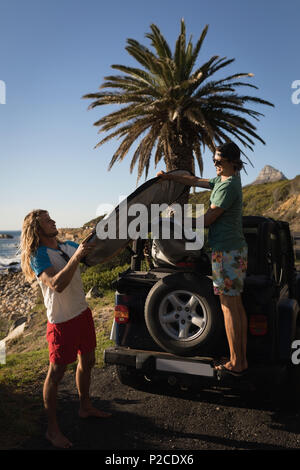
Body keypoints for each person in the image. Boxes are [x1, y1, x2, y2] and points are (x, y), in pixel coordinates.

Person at [20, 210, 111, 449]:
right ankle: (52, 430)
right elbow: (57, 284)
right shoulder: (38, 255)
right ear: (37, 228)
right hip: (61, 322)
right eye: (48, 221)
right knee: (57, 373)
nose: (54, 222)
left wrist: (124, 242)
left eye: (52, 218)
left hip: (82, 314)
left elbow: (98, 256)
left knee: (88, 360)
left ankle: (85, 406)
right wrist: (77, 255)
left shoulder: (69, 245)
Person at [157, 142, 248, 376]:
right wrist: (171, 177)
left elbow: (208, 220)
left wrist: (178, 222)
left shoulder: (228, 187)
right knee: (235, 307)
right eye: (214, 160)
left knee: (229, 308)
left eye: (219, 161)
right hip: (232, 250)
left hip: (227, 252)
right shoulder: (221, 181)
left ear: (232, 162)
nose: (215, 164)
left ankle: (236, 363)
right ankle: (240, 359)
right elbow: (196, 181)